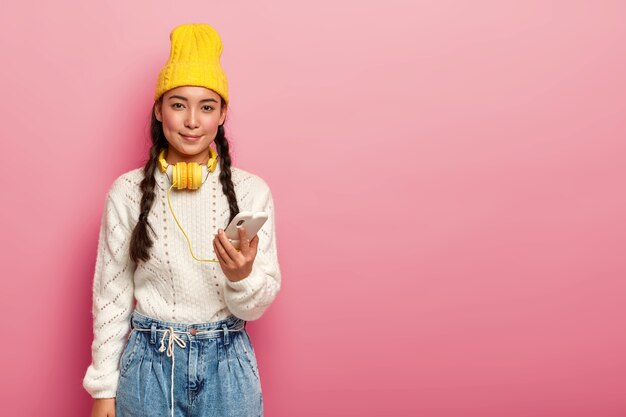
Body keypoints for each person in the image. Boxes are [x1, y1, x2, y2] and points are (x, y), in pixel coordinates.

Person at [83, 23, 281, 417]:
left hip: (228, 367)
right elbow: (111, 294)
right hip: (148, 368)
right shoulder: (126, 192)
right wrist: (103, 387)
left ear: (223, 114)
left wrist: (242, 278)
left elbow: (257, 306)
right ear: (158, 110)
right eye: (178, 104)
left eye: (207, 107)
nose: (192, 120)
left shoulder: (251, 192)